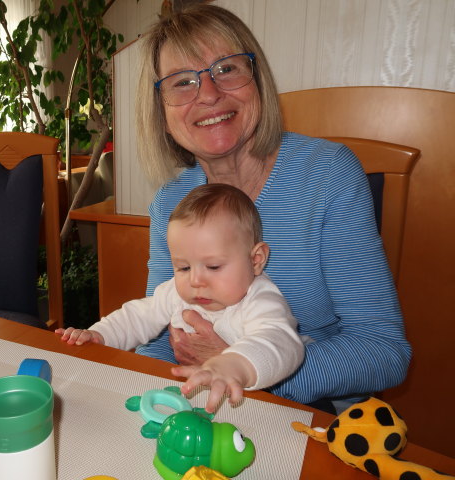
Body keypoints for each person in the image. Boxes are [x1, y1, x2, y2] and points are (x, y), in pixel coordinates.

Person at [133, 3, 411, 413]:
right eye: (181, 82)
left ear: (257, 80)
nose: (208, 94)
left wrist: (248, 368)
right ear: (161, 112)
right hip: (204, 405)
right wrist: (151, 405)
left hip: (315, 413)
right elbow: (157, 339)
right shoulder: (170, 203)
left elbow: (384, 350)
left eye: (226, 69)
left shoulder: (328, 174)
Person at [57, 183, 304, 412]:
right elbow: (138, 316)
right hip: (201, 398)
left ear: (255, 260)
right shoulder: (176, 292)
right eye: (183, 268)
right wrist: (99, 336)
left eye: (214, 267)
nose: (195, 281)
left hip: (262, 403)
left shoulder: (260, 300)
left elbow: (282, 343)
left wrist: (233, 365)